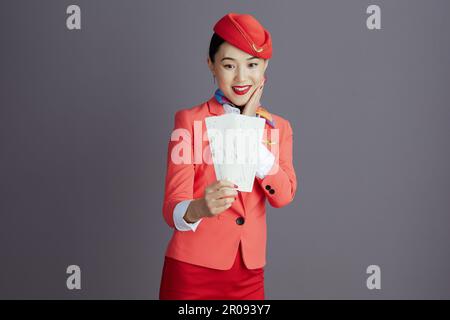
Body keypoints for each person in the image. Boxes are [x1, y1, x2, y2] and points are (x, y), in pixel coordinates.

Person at [159, 12, 297, 300]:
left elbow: (282, 196)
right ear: (211, 65)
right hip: (192, 271)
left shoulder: (278, 128)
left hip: (248, 274)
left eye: (252, 65)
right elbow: (172, 207)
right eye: (229, 65)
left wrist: (249, 131)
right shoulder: (189, 121)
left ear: (265, 67)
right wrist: (199, 208)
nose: (241, 78)